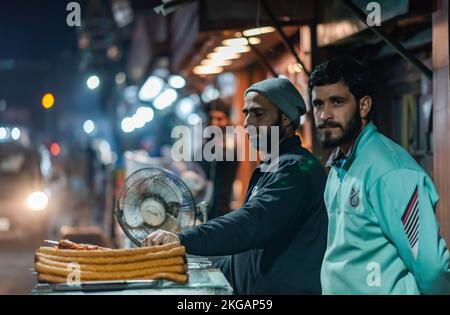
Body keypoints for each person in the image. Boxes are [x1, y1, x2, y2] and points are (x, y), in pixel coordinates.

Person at [145, 78, 328, 294]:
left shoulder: (297, 169)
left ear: (286, 119)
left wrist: (183, 239)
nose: (247, 123)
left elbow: (252, 222)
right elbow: (246, 254)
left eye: (258, 114)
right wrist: (203, 271)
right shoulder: (270, 167)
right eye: (246, 113)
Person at [310, 56, 450, 294]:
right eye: (318, 104)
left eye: (337, 102)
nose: (325, 115)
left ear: (364, 106)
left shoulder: (390, 171)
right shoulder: (339, 166)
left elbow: (432, 268)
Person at [198, 98, 239, 220]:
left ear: (227, 120)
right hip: (201, 208)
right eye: (211, 118)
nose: (214, 123)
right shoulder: (203, 145)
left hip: (219, 212)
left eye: (219, 119)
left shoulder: (230, 146)